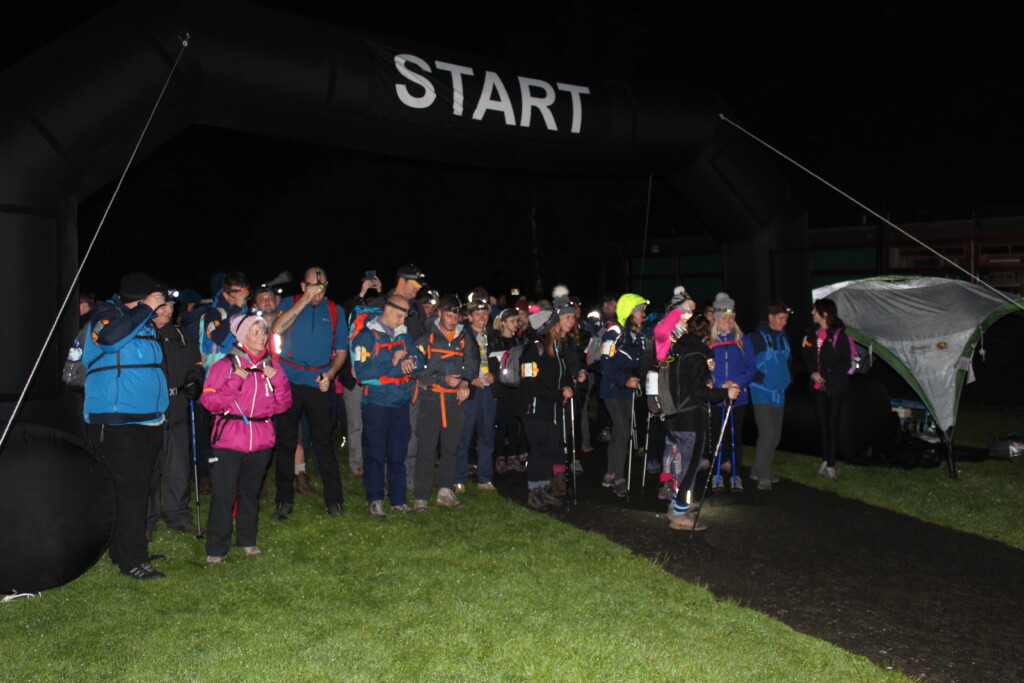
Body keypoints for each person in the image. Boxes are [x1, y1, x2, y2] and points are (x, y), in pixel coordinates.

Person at [82, 272, 169, 579]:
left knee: (139, 488)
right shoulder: (105, 314)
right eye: (159, 297)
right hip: (116, 419)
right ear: (144, 296)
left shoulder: (143, 321)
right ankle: (132, 558)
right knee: (130, 489)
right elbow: (107, 340)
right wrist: (145, 308)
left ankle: (128, 550)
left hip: (149, 418)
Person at [200, 312, 292, 566]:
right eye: (255, 332)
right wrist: (234, 382)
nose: (262, 337)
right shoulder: (224, 366)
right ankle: (216, 549)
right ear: (242, 337)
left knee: (251, 493)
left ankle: (247, 541)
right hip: (229, 440)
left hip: (261, 441)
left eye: (263, 332)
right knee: (223, 495)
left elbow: (283, 406)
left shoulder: (271, 367)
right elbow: (209, 401)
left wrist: (279, 380)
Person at [271, 266, 349, 518]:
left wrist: (331, 373)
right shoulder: (289, 302)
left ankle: (334, 501)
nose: (319, 291)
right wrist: (304, 301)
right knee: (285, 442)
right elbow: (277, 328)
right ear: (303, 286)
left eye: (323, 286)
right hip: (289, 381)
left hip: (319, 381)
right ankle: (284, 499)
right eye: (313, 286)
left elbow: (341, 349)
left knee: (324, 442)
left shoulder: (336, 311)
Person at [350, 293, 424, 518]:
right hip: (376, 403)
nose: (403, 322)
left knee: (397, 453)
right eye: (400, 316)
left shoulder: (403, 335)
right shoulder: (366, 337)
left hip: (400, 401)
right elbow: (361, 373)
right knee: (375, 453)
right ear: (389, 310)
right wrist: (393, 364)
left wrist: (412, 361)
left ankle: (398, 500)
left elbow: (420, 360)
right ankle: (375, 499)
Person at [663, 315, 740, 531]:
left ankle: (679, 505)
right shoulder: (697, 356)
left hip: (674, 416)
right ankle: (679, 514)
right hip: (690, 418)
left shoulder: (677, 352)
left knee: (685, 464)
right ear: (705, 336)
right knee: (689, 466)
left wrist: (710, 376)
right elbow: (697, 391)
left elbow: (687, 383)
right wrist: (725, 392)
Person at [410, 295, 479, 511]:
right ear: (440, 314)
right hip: (430, 399)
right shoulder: (426, 338)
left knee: (451, 448)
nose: (452, 320)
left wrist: (464, 382)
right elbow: (415, 369)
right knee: (426, 449)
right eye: (448, 316)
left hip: (454, 402)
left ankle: (445, 491)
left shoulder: (465, 338)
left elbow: (471, 364)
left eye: (456, 316)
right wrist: (443, 380)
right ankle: (421, 495)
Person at [147, 297, 204, 538]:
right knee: (148, 469)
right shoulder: (142, 334)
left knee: (179, 467)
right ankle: (146, 521)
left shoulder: (181, 334)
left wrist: (194, 381)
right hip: (148, 412)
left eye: (170, 306)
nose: (168, 311)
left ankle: (178, 515)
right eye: (162, 306)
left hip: (178, 409)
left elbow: (196, 364)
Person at [519, 307, 574, 511]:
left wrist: (569, 387)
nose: (562, 325)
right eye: (557, 322)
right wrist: (558, 395)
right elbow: (530, 383)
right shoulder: (533, 350)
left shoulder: (557, 348)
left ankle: (543, 488)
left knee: (550, 449)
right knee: (539, 450)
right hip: (535, 409)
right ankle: (535, 492)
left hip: (552, 408)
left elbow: (564, 373)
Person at [598, 293, 648, 497]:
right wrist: (623, 380)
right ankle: (619, 477)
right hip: (613, 386)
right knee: (623, 430)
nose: (644, 314)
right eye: (640, 310)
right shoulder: (614, 331)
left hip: (629, 389)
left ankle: (609, 474)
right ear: (629, 312)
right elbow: (605, 361)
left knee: (620, 432)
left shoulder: (638, 335)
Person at [707, 292, 756, 493]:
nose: (728, 321)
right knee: (717, 435)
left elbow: (751, 368)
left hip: (738, 397)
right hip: (718, 397)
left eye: (731, 317)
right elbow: (704, 370)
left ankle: (735, 473)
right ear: (717, 319)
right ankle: (716, 474)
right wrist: (720, 384)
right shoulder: (708, 343)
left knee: (735, 437)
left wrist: (735, 383)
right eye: (724, 317)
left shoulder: (743, 341)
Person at [801, 298, 851, 481]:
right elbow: (807, 355)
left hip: (834, 387)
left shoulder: (839, 335)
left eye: (816, 310)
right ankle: (824, 460)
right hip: (816, 386)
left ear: (825, 314)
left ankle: (831, 464)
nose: (812, 313)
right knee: (822, 424)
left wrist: (826, 376)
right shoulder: (811, 333)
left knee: (832, 424)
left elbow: (845, 361)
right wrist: (814, 373)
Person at [746, 301, 793, 490]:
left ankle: (758, 469)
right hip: (762, 393)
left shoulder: (783, 338)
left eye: (786, 319)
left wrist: (786, 380)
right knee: (767, 433)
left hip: (779, 392)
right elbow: (747, 363)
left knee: (776, 435)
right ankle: (764, 474)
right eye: (781, 319)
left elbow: (788, 361)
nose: (784, 323)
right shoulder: (757, 338)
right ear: (771, 318)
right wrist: (761, 379)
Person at [453, 299, 498, 492]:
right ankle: (458, 478)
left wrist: (494, 375)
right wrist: (469, 379)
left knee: (487, 435)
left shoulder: (493, 336)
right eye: (478, 314)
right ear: (469, 317)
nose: (482, 317)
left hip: (487, 391)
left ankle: (485, 478)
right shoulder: (462, 336)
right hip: (469, 391)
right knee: (464, 434)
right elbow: (456, 362)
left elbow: (499, 360)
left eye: (485, 314)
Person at [490, 308, 527, 474]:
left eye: (516, 321)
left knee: (514, 423)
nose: (516, 323)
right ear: (503, 323)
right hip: (501, 388)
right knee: (501, 423)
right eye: (512, 320)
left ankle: (513, 456)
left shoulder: (520, 342)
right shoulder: (495, 341)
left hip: (517, 388)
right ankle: (499, 457)